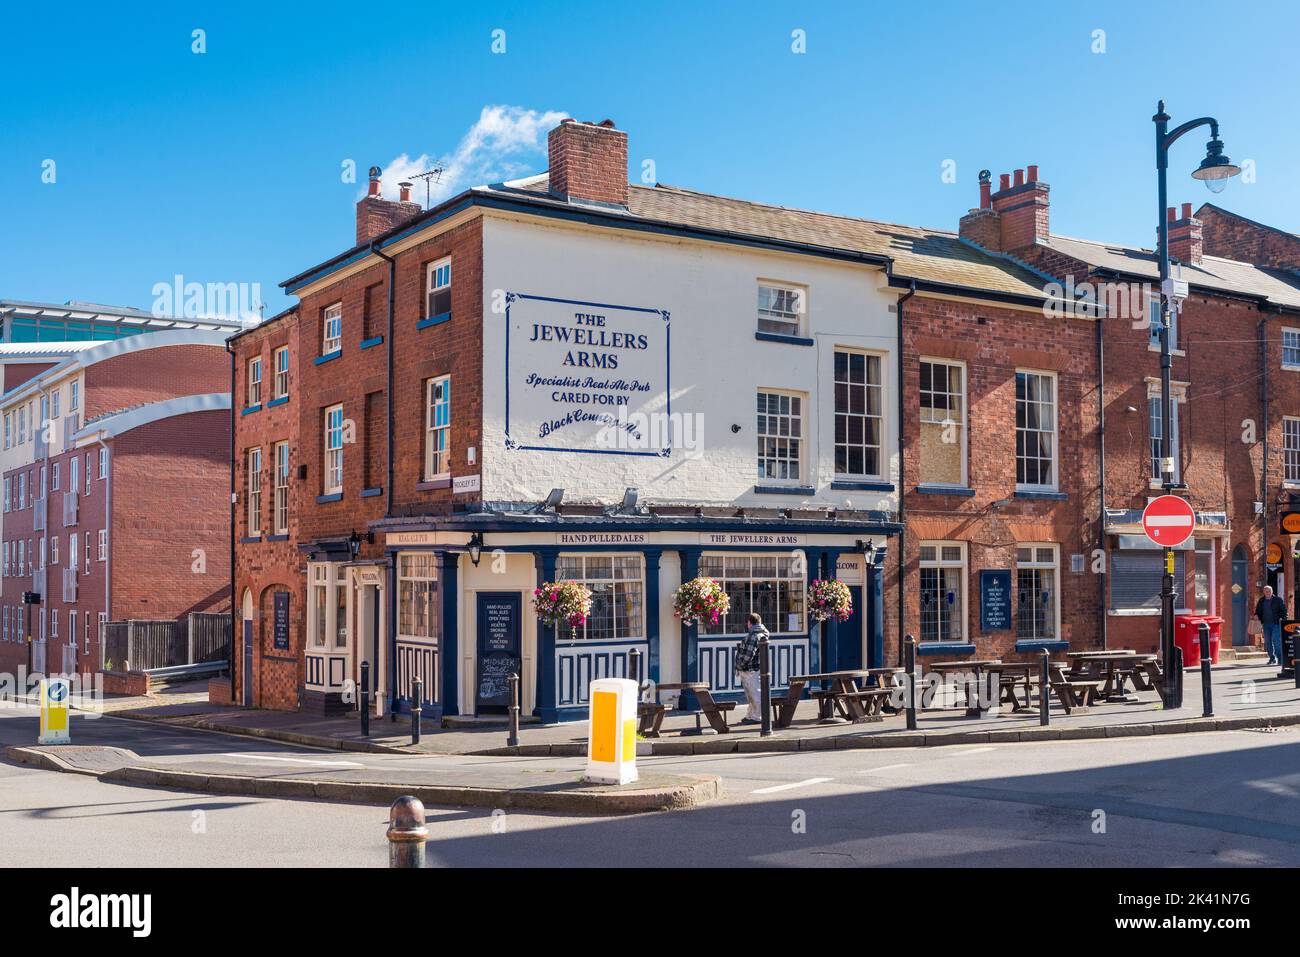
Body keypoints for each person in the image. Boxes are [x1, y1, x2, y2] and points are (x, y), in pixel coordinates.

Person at [734, 612, 767, 725]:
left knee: (754, 693)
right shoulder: (759, 634)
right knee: (751, 694)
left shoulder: (754, 635)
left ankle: (757, 717)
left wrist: (740, 665)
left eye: (748, 623)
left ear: (750, 623)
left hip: (750, 669)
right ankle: (750, 715)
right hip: (752, 668)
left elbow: (749, 654)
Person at [1255, 585, 1287, 665]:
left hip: (1276, 624)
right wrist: (1256, 615)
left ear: (1272, 591)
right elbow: (1258, 610)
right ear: (1263, 592)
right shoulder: (1261, 600)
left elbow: (1284, 611)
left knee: (1276, 641)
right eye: (1266, 591)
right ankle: (1272, 658)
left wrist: (1282, 618)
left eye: (1269, 591)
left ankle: (1280, 659)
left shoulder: (1278, 600)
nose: (1267, 592)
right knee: (1268, 642)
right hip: (1266, 624)